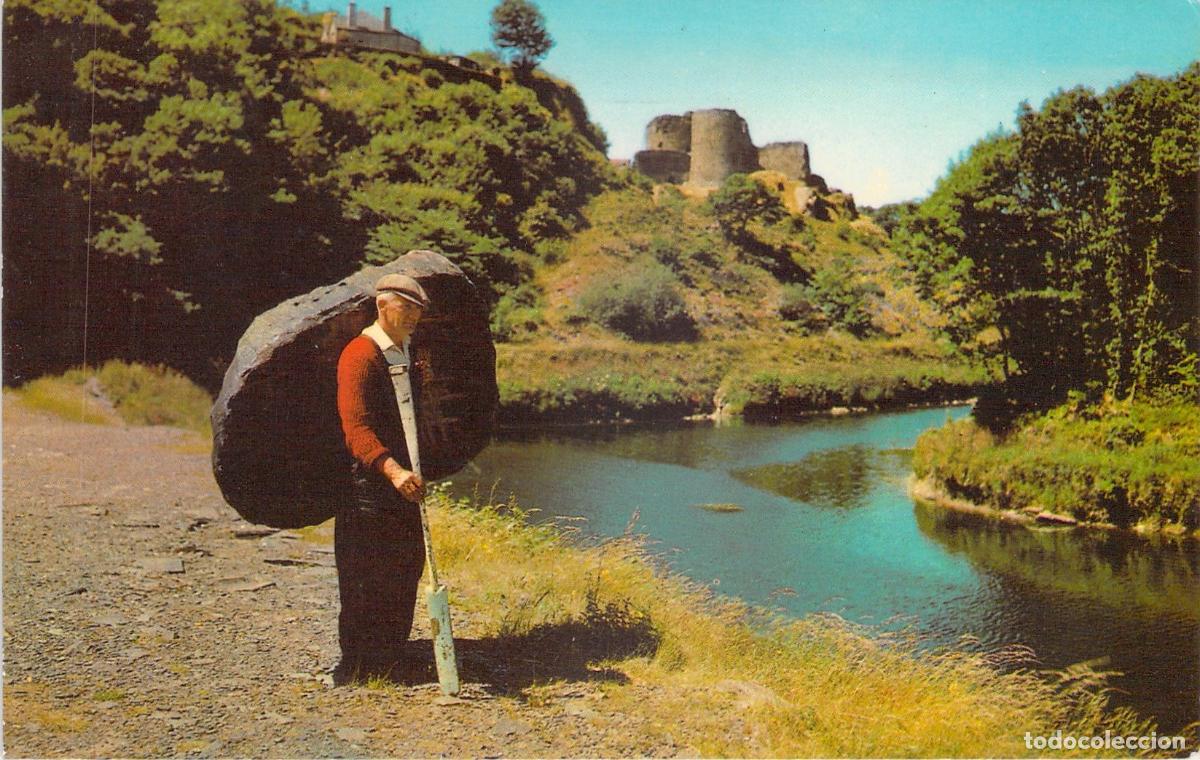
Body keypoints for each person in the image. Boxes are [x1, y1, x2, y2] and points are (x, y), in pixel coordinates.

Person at [333, 273, 431, 682]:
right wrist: (391, 469)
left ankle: (390, 660)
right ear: (382, 306)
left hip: (402, 484)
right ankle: (355, 668)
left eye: (417, 311)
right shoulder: (361, 354)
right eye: (405, 308)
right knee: (365, 575)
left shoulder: (406, 354)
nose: (412, 317)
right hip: (367, 486)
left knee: (406, 566)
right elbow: (357, 428)